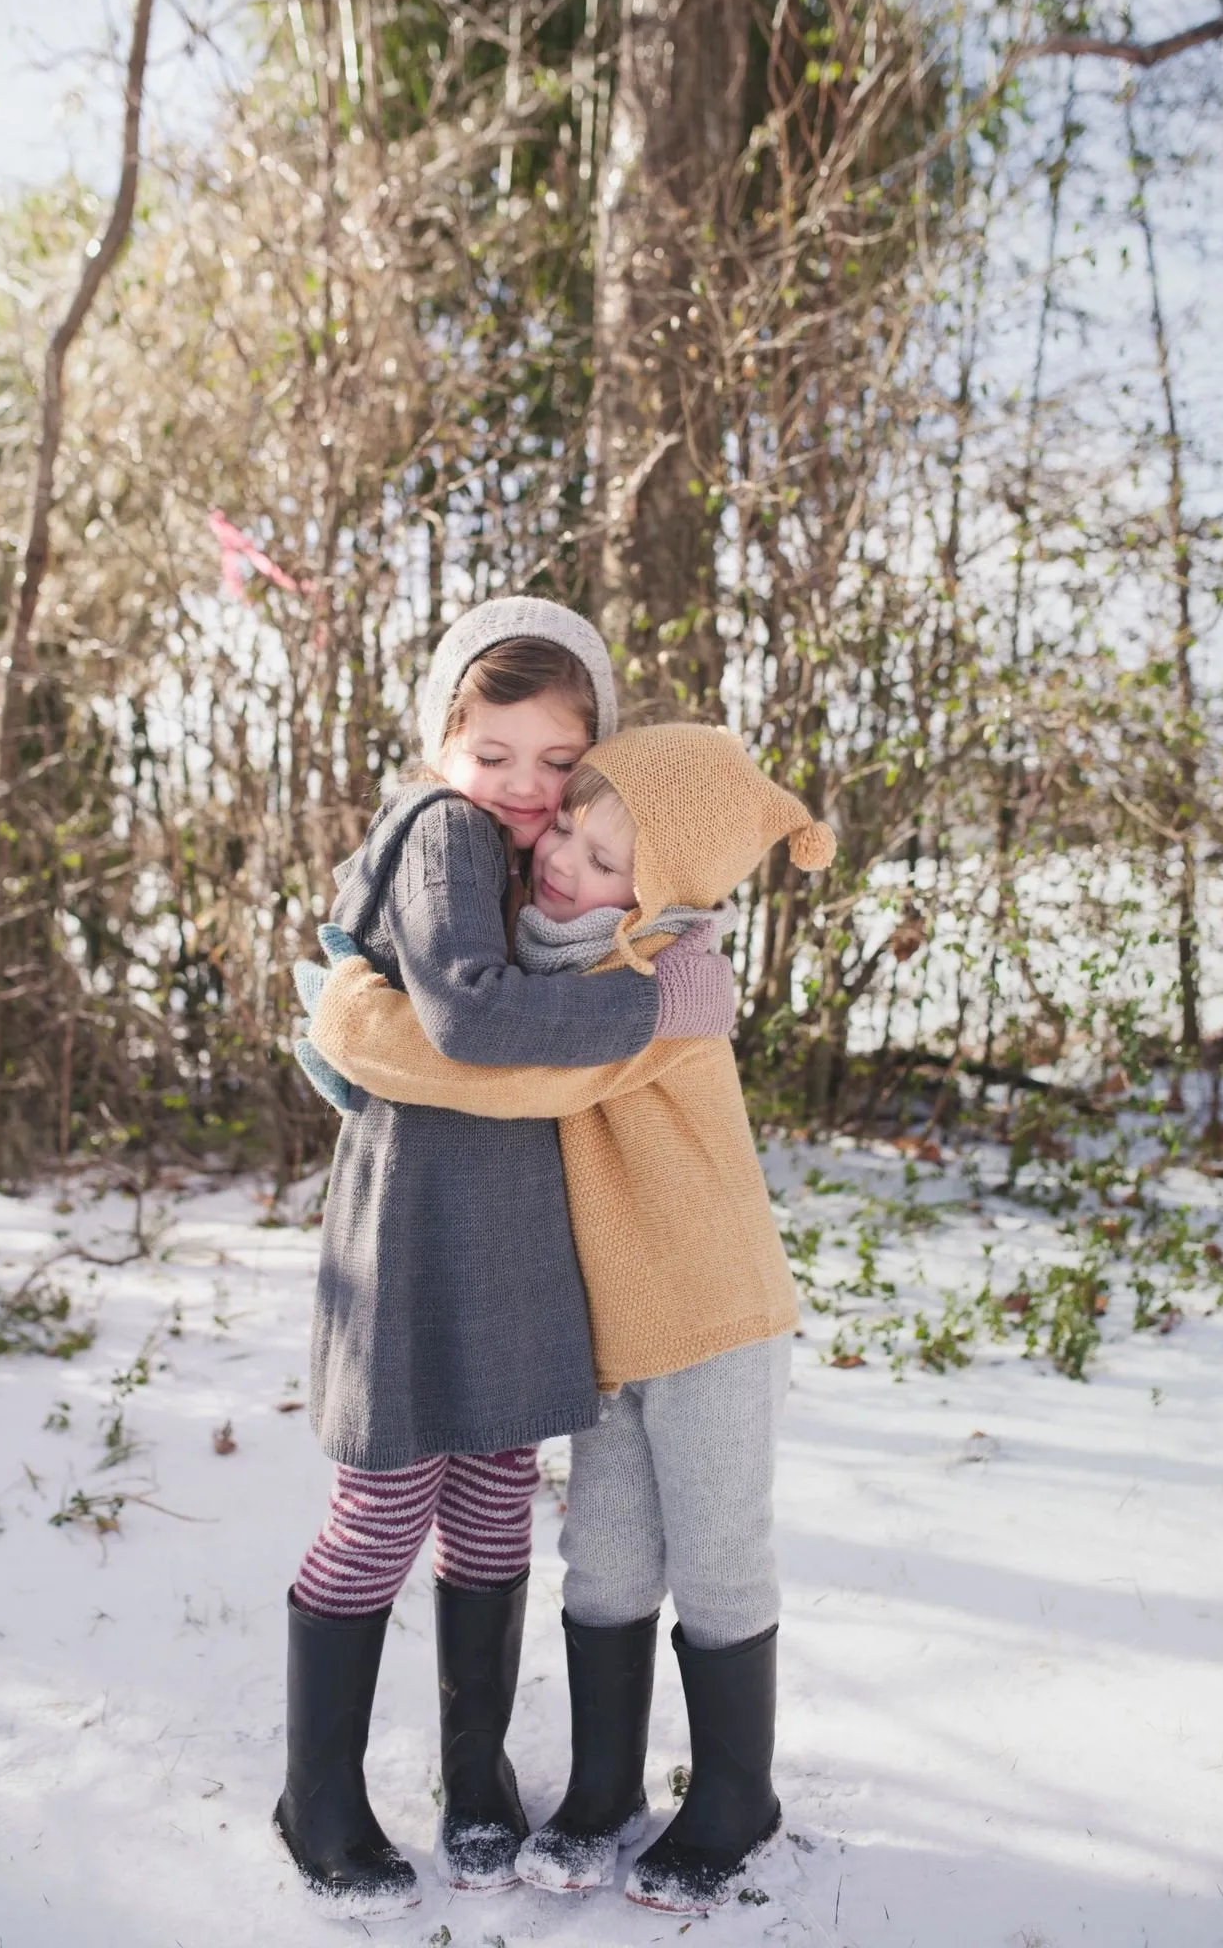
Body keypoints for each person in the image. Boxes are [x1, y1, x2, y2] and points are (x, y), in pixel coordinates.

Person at [299, 721, 835, 1913]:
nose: (568, 861)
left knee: (716, 1548)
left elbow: (494, 1066)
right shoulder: (540, 954)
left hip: (709, 1310)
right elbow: (474, 1019)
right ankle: (601, 1791)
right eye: (576, 830)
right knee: (604, 1558)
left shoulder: (656, 982)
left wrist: (352, 1018)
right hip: (610, 1320)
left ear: (661, 894)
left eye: (606, 859)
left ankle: (736, 1794)